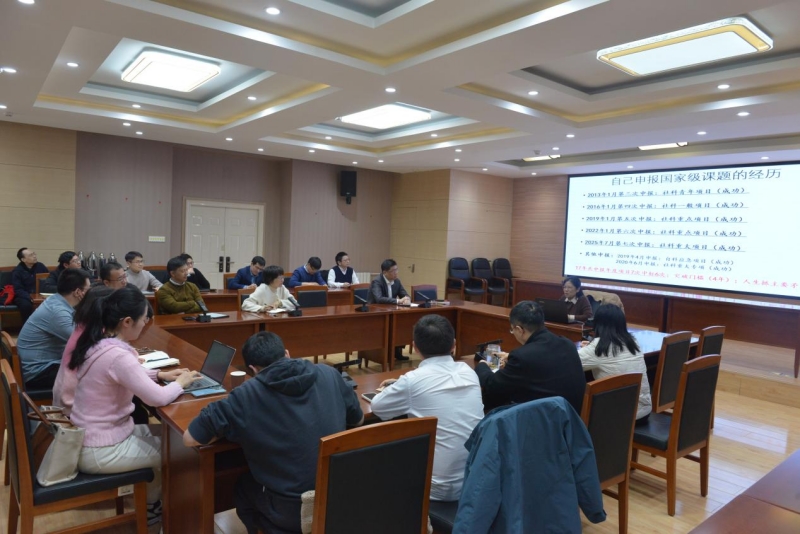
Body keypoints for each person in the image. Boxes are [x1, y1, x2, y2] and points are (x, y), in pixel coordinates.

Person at [182, 332, 363, 534]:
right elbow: (358, 419)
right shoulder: (329, 374)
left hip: (290, 511)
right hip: (338, 498)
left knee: (242, 486)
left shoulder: (245, 395)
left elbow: (190, 438)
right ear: (287, 354)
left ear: (253, 369)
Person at [68, 286, 200, 525]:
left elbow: (126, 375)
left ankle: (154, 505)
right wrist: (180, 383)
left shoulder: (100, 343)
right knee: (179, 454)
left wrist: (160, 375)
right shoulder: (118, 356)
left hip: (93, 437)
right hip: (101, 449)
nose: (145, 324)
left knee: (172, 439)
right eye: (144, 319)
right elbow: (157, 399)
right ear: (127, 322)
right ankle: (156, 514)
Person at [371, 315, 483, 501]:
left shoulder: (412, 381)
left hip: (436, 487)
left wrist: (403, 385)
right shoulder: (468, 372)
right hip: (473, 478)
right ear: (454, 344)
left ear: (414, 347)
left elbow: (378, 407)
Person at [474, 300, 586, 414]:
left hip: (543, 421)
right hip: (572, 418)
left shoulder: (522, 357)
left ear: (519, 329)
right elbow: (543, 363)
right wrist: (511, 360)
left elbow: (492, 385)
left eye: (512, 330)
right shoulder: (567, 344)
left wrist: (482, 365)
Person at [17, 268, 90, 390]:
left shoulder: (56, 300)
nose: (90, 293)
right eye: (88, 289)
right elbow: (84, 341)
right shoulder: (57, 311)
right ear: (78, 292)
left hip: (41, 364)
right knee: (94, 373)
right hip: (38, 372)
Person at [578, 304, 652, 423]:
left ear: (598, 324)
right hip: (644, 412)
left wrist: (589, 348)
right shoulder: (633, 341)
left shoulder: (598, 348)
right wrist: (591, 347)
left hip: (619, 417)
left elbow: (571, 361)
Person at [52, 285, 114, 414]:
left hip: (64, 399)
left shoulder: (83, 326)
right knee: (135, 408)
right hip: (74, 407)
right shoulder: (97, 335)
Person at [369, 259, 411, 360]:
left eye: (397, 269)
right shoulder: (377, 281)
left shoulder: (397, 281)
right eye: (393, 270)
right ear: (385, 272)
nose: (396, 273)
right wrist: (398, 301)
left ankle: (397, 351)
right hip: (376, 313)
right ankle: (383, 354)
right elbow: (379, 299)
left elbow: (405, 294)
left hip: (391, 311)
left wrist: (406, 299)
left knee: (402, 323)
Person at [11, 247, 50, 324]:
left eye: (34, 254)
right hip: (24, 296)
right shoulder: (17, 271)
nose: (34, 256)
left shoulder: (40, 266)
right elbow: (18, 289)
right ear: (23, 259)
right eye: (31, 255)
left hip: (40, 294)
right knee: (26, 305)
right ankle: (28, 326)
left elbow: (48, 280)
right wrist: (30, 298)